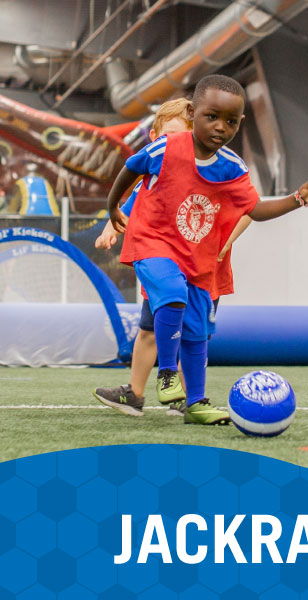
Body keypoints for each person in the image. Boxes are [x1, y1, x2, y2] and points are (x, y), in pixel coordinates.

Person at [103, 74, 308, 424]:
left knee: (196, 333)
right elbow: (130, 168)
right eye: (212, 117)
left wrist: (299, 198)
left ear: (240, 123)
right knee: (171, 291)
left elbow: (255, 210)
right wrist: (112, 207)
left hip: (197, 258)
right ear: (194, 113)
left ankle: (195, 403)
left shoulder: (232, 167)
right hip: (151, 242)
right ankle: (166, 374)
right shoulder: (166, 148)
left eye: (230, 121)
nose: (220, 127)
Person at [93, 98, 251, 417]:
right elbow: (130, 204)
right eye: (169, 136)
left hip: (204, 270)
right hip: (167, 267)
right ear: (155, 137)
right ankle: (135, 393)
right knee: (150, 328)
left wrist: (225, 242)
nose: (176, 143)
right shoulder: (157, 175)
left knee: (194, 334)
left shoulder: (218, 170)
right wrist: (112, 226)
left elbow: (250, 208)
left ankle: (188, 399)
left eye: (184, 136)